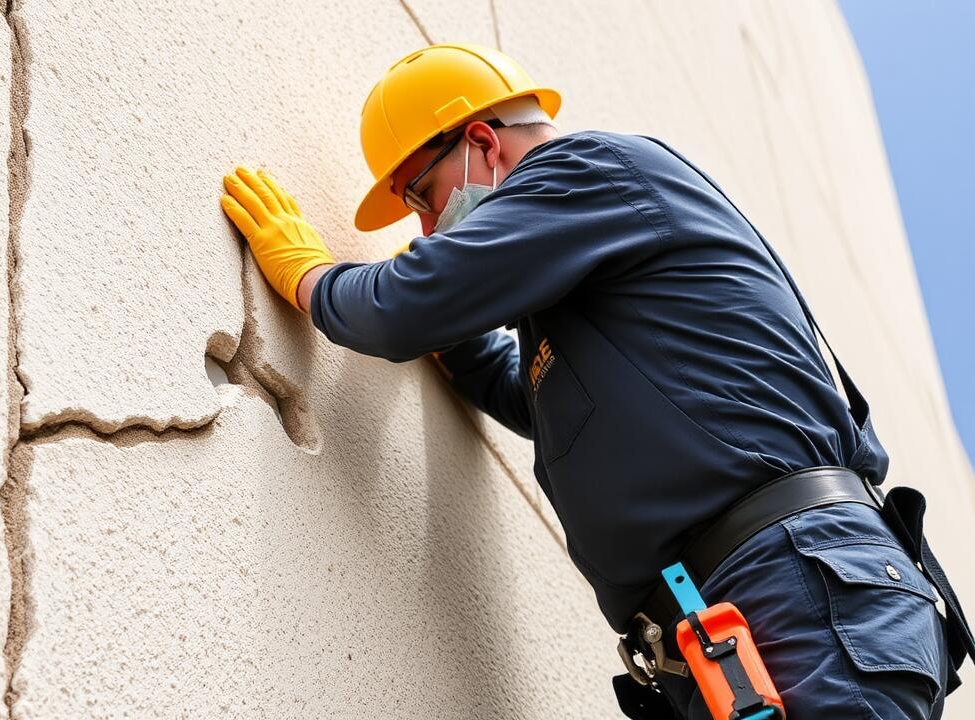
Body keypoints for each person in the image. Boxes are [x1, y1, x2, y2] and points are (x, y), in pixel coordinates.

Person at [219, 43, 971, 719]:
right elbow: (536, 397)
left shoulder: (588, 171)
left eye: (422, 196)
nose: (424, 230)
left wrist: (313, 276)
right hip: (751, 615)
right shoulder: (586, 273)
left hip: (796, 594)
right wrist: (453, 324)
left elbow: (398, 305)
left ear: (481, 141)